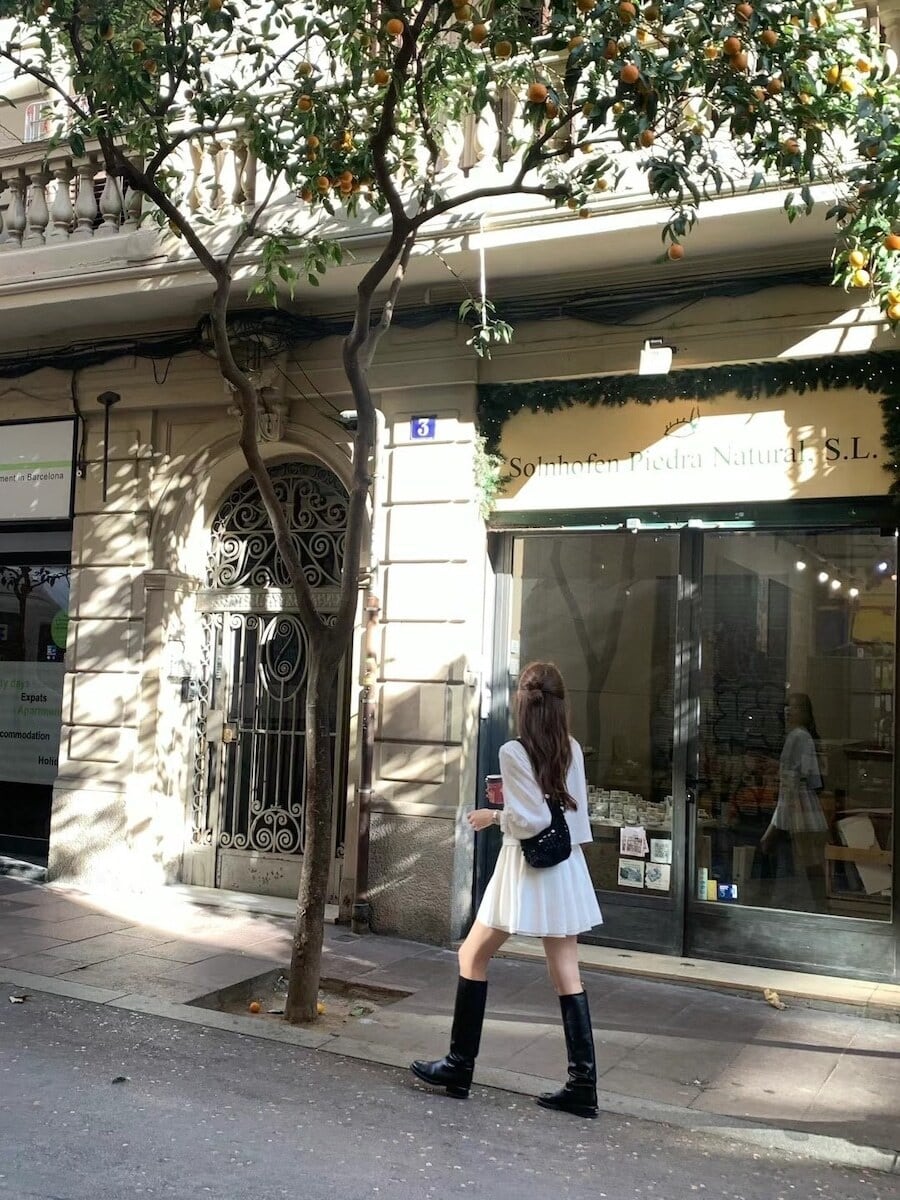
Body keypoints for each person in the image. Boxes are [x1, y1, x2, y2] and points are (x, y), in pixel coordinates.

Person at [410, 661, 603, 1119]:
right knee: (566, 973)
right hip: (566, 865)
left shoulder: (514, 751)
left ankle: (459, 1066)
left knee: (472, 955)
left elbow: (530, 820)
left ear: (522, 702)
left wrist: (492, 816)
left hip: (524, 867)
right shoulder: (572, 748)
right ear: (561, 704)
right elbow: (576, 822)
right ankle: (583, 1085)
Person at [760, 692, 827, 906]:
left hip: (794, 803)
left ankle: (766, 900)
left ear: (804, 713)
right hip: (799, 802)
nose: (788, 711)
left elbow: (794, 777)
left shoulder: (797, 736)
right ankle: (819, 905)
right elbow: (812, 777)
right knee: (807, 858)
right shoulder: (803, 736)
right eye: (787, 706)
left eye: (794, 707)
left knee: (774, 848)